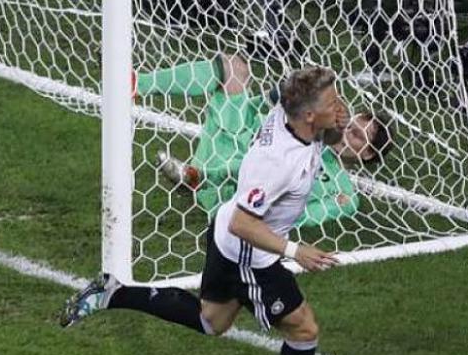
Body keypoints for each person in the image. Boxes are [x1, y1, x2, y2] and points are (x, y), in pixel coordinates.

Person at [62, 66, 362, 355]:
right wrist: (295, 250)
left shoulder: (296, 120)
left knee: (211, 321)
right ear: (310, 114)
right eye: (333, 102)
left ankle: (114, 293)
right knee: (303, 328)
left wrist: (338, 124)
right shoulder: (277, 163)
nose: (341, 106)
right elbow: (244, 223)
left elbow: (322, 138)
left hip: (225, 235)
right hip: (249, 255)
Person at [135, 54, 391, 226]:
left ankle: (198, 178)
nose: (349, 131)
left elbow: (299, 216)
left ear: (367, 154)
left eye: (358, 135)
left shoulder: (343, 192)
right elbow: (266, 109)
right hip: (230, 140)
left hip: (237, 197)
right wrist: (274, 97)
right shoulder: (314, 123)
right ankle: (136, 84)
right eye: (353, 123)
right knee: (234, 67)